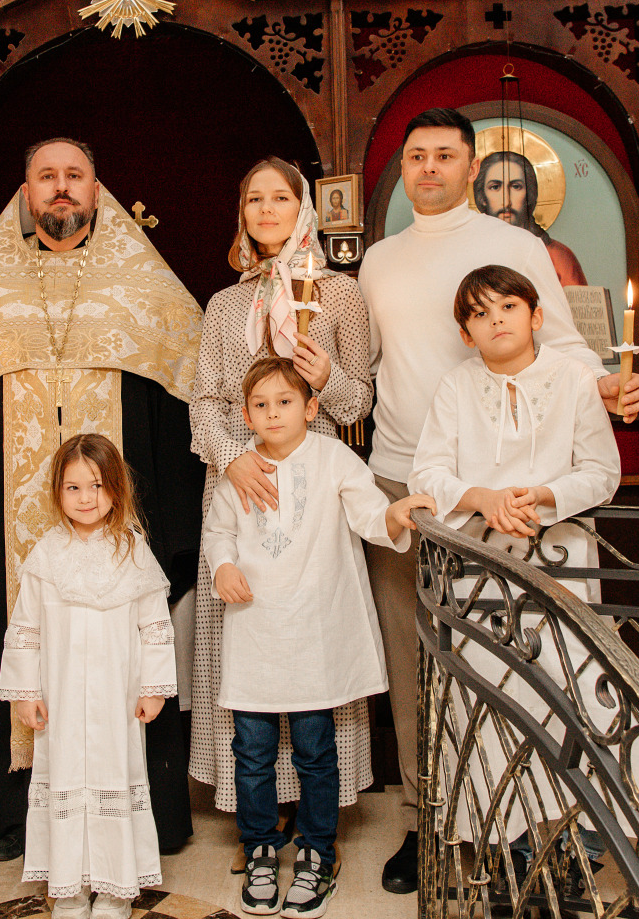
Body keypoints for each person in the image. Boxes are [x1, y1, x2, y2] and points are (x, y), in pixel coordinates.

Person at [357, 107, 639, 894]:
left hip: (504, 484)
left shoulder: (515, 247)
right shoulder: (378, 260)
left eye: (443, 155)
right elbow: (365, 368)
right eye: (415, 156)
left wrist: (607, 384)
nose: (427, 169)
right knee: (417, 660)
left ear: (471, 163)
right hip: (404, 478)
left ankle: (534, 817)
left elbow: (562, 346)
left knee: (522, 657)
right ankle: (430, 821)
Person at [0, 138, 203, 864]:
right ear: (25, 193)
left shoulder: (142, 284)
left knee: (125, 645)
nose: (61, 189)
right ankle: (21, 819)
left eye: (75, 177)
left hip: (117, 502)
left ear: (97, 189)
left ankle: (142, 821)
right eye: (46, 177)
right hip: (19, 513)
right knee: (30, 644)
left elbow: (181, 397)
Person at [408, 265, 639, 870]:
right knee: (496, 694)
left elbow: (602, 472)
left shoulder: (575, 379)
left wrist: (541, 496)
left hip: (561, 559)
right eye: (479, 313)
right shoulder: (454, 387)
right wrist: (485, 499)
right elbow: (428, 474)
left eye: (507, 306)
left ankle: (585, 834)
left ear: (536, 316)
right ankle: (509, 836)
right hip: (481, 566)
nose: (495, 319)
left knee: (572, 691)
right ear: (467, 333)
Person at [204, 357, 433, 918]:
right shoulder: (239, 470)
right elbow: (219, 532)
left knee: (314, 750)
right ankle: (259, 845)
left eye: (284, 402)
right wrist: (222, 567)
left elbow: (371, 515)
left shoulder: (334, 459)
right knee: (251, 754)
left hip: (314, 635)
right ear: (245, 414)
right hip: (255, 634)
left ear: (310, 408)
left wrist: (397, 515)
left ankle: (317, 851)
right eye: (260, 404)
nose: (272, 413)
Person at [188, 158, 375, 818]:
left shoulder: (339, 294)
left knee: (310, 638)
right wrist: (234, 457)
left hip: (311, 487)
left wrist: (325, 377)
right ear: (242, 214)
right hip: (241, 489)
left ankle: (318, 812)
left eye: (279, 198)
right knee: (250, 643)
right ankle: (258, 813)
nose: (266, 209)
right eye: (253, 199)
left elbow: (357, 405)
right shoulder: (224, 303)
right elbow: (206, 399)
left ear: (304, 209)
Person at [0, 433, 176, 919]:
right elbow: (26, 628)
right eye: (72, 488)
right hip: (62, 701)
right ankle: (70, 887)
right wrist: (25, 692)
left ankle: (117, 889)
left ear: (116, 488)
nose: (84, 498)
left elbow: (156, 627)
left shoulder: (133, 552)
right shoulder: (46, 555)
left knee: (114, 778)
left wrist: (154, 689)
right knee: (65, 783)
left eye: (95, 486)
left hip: (116, 701)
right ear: (58, 492)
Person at [473, 149, 588, 287]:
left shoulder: (557, 256)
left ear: (529, 194)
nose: (507, 201)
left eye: (516, 187)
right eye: (495, 187)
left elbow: (575, 306)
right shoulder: (471, 252)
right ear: (482, 197)